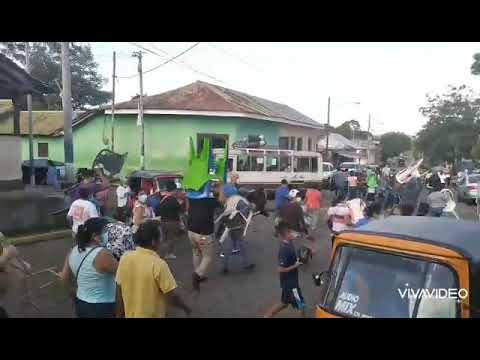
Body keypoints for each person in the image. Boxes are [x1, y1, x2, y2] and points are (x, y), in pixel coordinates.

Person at [115, 221, 190, 318]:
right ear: (154, 242)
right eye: (162, 238)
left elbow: (119, 290)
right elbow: (171, 296)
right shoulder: (159, 264)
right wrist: (185, 307)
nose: (164, 242)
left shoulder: (125, 258)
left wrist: (118, 315)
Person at [58, 217, 118, 318]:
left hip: (81, 303)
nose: (108, 234)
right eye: (105, 231)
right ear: (95, 236)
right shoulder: (102, 254)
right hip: (102, 306)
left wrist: (74, 295)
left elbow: (64, 278)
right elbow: (123, 273)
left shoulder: (73, 250)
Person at [187, 182, 225, 291]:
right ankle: (198, 275)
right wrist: (221, 187)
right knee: (207, 256)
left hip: (191, 231)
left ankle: (198, 273)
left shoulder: (192, 198)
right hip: (204, 232)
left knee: (196, 252)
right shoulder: (210, 200)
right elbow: (222, 202)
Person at [264, 221, 306, 318]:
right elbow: (281, 269)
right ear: (286, 234)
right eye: (291, 232)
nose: (293, 233)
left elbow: (298, 235)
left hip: (288, 283)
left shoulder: (289, 242)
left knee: (284, 303)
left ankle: (267, 316)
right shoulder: (284, 250)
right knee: (301, 305)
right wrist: (295, 265)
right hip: (291, 284)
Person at [217, 192, 255, 275]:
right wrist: (250, 207)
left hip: (230, 225)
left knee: (230, 246)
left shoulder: (229, 200)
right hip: (238, 226)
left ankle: (225, 266)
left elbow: (225, 213)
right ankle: (246, 264)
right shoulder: (241, 201)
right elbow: (243, 213)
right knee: (241, 245)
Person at [155, 181, 183, 260]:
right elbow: (180, 210)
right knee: (171, 239)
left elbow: (158, 210)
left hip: (163, 221)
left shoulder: (163, 198)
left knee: (163, 239)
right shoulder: (174, 200)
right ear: (174, 190)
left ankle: (159, 253)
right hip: (173, 222)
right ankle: (168, 253)